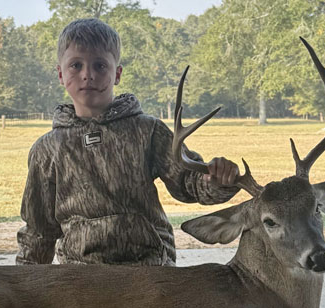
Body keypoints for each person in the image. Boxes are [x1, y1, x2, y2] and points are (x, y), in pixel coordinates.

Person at [16, 18, 240, 266]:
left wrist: (216, 180)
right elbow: (39, 231)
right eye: (76, 65)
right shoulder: (47, 150)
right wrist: (25, 282)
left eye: (100, 65)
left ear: (117, 74)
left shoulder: (147, 130)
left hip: (150, 267)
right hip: (80, 278)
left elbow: (189, 184)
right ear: (60, 73)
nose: (88, 75)